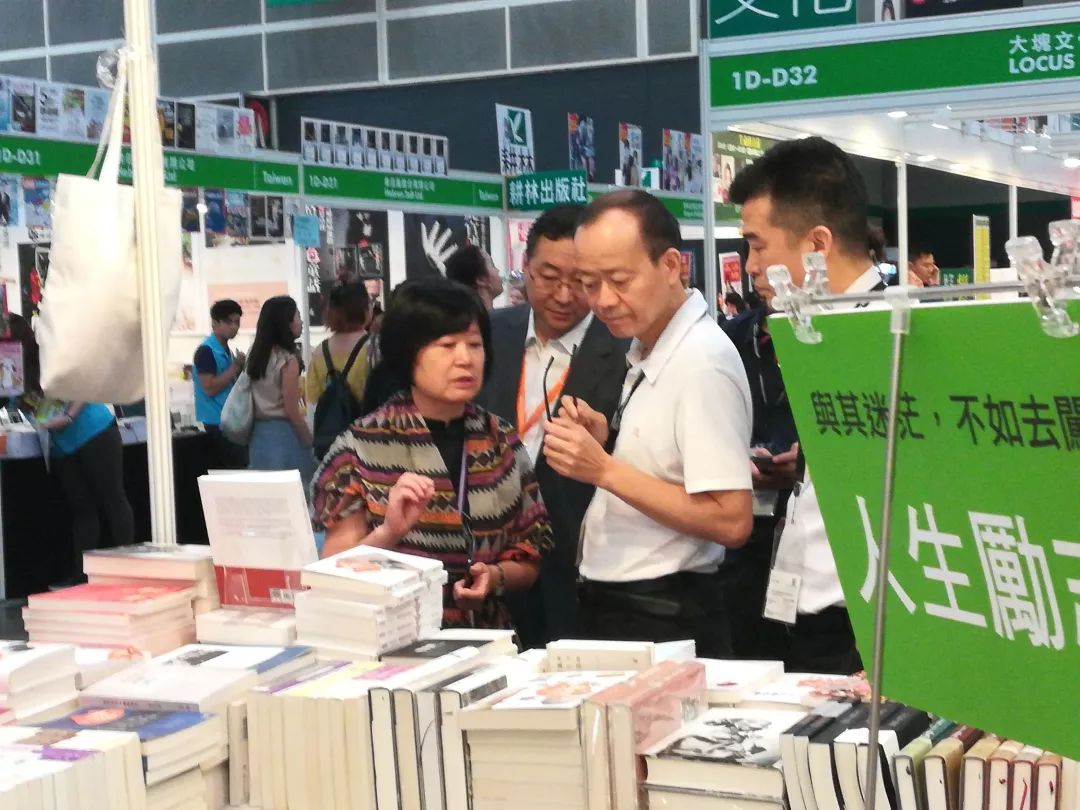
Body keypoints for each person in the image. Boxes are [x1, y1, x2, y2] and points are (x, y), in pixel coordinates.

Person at [541, 190, 754, 657]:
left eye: (620, 280)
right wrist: (609, 442)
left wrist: (603, 469)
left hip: (663, 613)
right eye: (590, 283)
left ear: (671, 265)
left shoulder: (701, 362)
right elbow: (669, 468)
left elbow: (731, 519)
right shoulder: (648, 345)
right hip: (628, 606)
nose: (603, 300)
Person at [727, 135, 887, 674]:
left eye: (758, 246)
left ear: (817, 243)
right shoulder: (820, 335)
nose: (750, 266)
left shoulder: (895, 340)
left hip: (865, 625)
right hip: (804, 613)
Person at [312, 277, 553, 630]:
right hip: (396, 637)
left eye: (474, 344)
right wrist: (389, 532)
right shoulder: (362, 446)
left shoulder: (500, 440)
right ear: (408, 355)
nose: (465, 359)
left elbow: (530, 557)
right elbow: (333, 573)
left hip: (488, 640)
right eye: (447, 345)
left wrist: (495, 576)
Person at [477, 204, 629, 646]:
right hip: (493, 553)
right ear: (525, 267)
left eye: (579, 281)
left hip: (579, 558)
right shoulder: (488, 334)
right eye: (548, 277)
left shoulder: (624, 350)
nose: (563, 295)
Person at [10, 315, 134, 586]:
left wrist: (68, 416)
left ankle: (127, 570)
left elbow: (84, 381)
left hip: (94, 431)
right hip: (61, 445)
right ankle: (82, 576)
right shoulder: (18, 371)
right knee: (82, 509)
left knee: (112, 499)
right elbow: (29, 404)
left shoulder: (51, 355)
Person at [246, 296, 315, 491]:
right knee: (293, 493)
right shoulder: (287, 360)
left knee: (265, 494)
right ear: (286, 323)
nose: (301, 321)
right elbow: (291, 409)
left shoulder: (255, 356)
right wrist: (309, 440)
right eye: (297, 316)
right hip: (284, 435)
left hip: (258, 436)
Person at [305, 282, 372, 456]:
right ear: (364, 309)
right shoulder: (373, 347)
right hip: (367, 440)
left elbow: (313, 398)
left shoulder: (320, 351)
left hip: (331, 444)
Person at [193, 299, 247, 469]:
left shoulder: (226, 351)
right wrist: (235, 368)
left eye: (237, 322)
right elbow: (209, 388)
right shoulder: (206, 351)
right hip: (216, 422)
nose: (234, 327)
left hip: (229, 420)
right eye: (229, 322)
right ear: (215, 323)